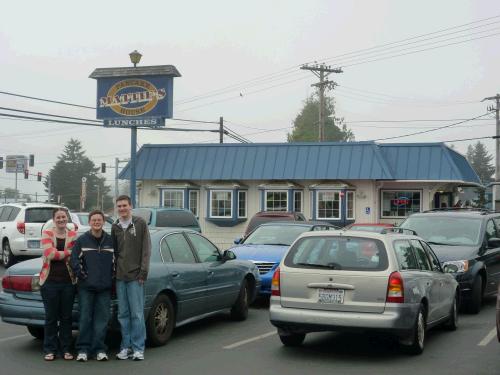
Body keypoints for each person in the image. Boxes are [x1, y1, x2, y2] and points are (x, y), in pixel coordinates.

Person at [70, 210, 114, 362]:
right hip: (86, 288)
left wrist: (111, 278)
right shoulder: (82, 240)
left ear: (103, 222)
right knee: (85, 318)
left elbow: (115, 262)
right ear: (89, 222)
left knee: (102, 320)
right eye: (94, 220)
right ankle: (83, 349)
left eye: (99, 220)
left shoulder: (110, 240)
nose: (96, 222)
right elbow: (74, 260)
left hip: (104, 288)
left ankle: (99, 349)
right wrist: (83, 276)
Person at [111, 195, 151, 361]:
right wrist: (113, 273)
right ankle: (125, 347)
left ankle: (138, 348)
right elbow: (114, 251)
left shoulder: (140, 223)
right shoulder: (115, 227)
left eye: (124, 205)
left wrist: (143, 273)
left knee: (137, 314)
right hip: (120, 277)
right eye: (119, 206)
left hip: (136, 277)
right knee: (123, 314)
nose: (122, 209)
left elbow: (146, 250)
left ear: (130, 206)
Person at [39, 207, 78, 361]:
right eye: (58, 217)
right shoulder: (47, 233)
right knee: (51, 318)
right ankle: (50, 349)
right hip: (49, 283)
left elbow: (75, 255)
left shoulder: (73, 235)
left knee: (66, 317)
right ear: (54, 219)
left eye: (64, 217)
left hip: (68, 282)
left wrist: (62, 253)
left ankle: (66, 349)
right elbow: (50, 254)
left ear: (67, 218)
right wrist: (68, 252)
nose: (61, 219)